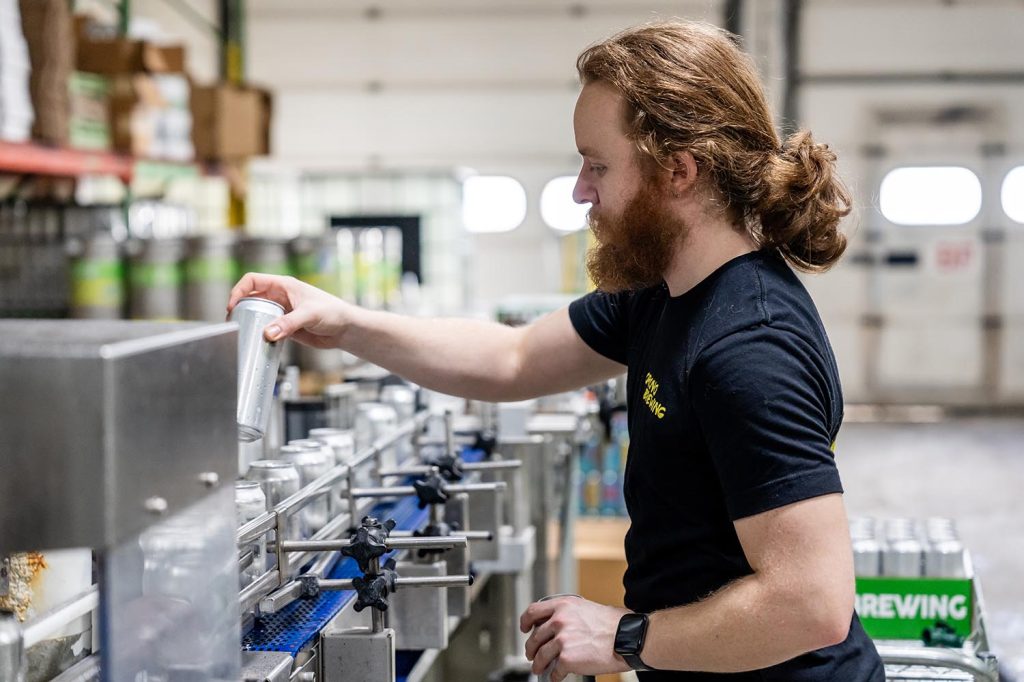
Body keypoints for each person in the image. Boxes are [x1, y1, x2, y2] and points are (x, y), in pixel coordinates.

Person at [227, 19, 884, 682]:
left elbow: (810, 603)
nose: (580, 189)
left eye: (598, 165)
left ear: (679, 171)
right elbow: (514, 358)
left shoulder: (749, 350)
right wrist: (347, 325)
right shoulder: (665, 293)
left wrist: (627, 637)